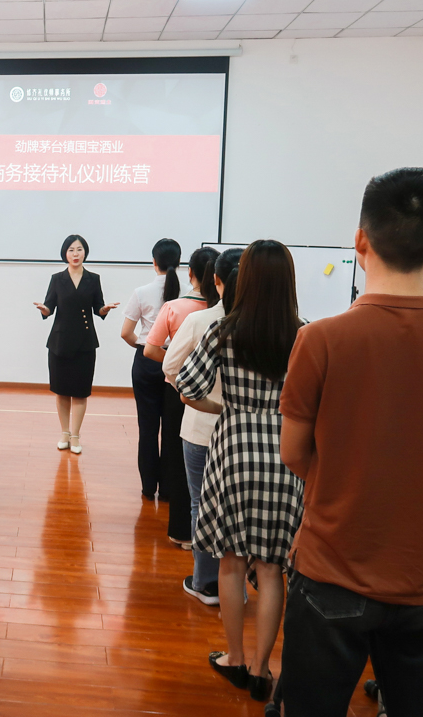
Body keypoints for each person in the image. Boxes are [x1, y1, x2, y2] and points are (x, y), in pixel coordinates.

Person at [279, 168, 423, 717]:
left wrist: (348, 479)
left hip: (331, 568)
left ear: (360, 242)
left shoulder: (319, 340)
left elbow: (293, 454)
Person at [177, 239, 304, 702]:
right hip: (285, 453)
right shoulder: (304, 333)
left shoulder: (223, 330)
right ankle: (263, 668)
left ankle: (234, 657)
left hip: (232, 448)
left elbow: (186, 386)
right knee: (272, 569)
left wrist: (226, 407)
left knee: (230, 564)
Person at [162, 247, 243, 605]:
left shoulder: (200, 321)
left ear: (215, 280)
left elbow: (170, 369)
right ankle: (237, 584)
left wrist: (209, 400)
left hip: (201, 428)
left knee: (201, 504)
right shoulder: (282, 322)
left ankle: (206, 582)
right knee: (241, 508)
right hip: (253, 434)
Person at [145, 246, 220, 548]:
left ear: (189, 273)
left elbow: (151, 350)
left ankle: (182, 531)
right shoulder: (228, 310)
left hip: (180, 393)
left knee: (178, 459)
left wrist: (183, 362)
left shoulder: (175, 307)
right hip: (220, 395)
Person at [34, 235, 120, 454]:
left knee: (80, 392)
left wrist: (105, 309)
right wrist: (44, 310)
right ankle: (64, 433)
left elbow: (98, 307)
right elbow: (49, 307)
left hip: (85, 342)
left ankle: (76, 435)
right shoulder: (57, 279)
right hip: (60, 342)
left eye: (79, 249)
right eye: (71, 250)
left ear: (85, 253)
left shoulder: (93, 279)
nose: (75, 254)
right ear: (65, 253)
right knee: (62, 391)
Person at [121, 238, 182, 498]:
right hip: (177, 363)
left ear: (154, 262)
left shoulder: (142, 292)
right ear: (180, 264)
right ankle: (169, 489)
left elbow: (126, 333)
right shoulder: (190, 292)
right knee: (173, 429)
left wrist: (144, 347)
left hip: (146, 361)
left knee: (147, 428)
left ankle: (148, 488)